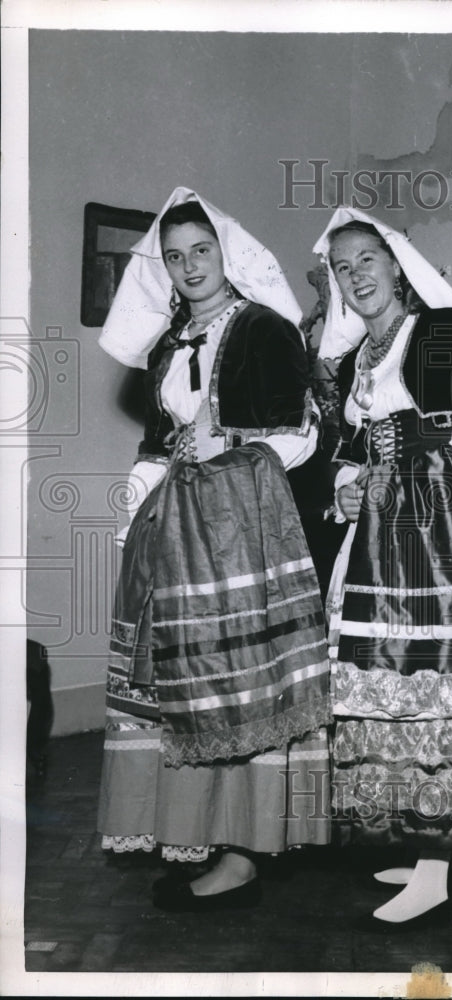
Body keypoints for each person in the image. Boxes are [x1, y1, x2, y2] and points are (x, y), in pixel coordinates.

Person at [96, 188, 331, 911]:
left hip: (240, 528)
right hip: (173, 527)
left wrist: (229, 445)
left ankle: (242, 853)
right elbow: (157, 440)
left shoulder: (262, 329)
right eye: (175, 256)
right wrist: (135, 505)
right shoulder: (169, 340)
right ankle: (196, 834)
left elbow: (304, 433)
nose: (190, 265)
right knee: (177, 683)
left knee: (234, 680)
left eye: (201, 250)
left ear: (225, 252)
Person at [314, 207, 452, 930]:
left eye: (366, 258)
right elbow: (349, 446)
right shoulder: (357, 359)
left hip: (429, 548)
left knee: (432, 689)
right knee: (385, 689)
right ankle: (414, 840)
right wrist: (348, 487)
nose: (355, 275)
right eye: (342, 267)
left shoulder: (439, 331)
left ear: (396, 262)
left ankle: (437, 869)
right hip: (375, 546)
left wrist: (416, 473)